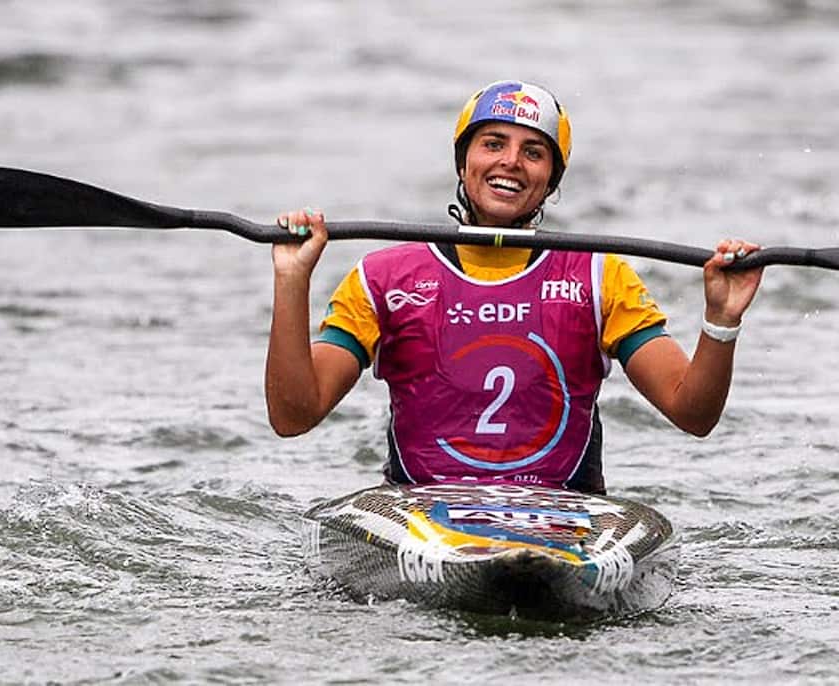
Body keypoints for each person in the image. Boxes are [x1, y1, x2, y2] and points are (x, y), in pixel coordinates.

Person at [265, 80, 763, 494]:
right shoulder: (382, 278)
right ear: (464, 164)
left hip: (565, 521)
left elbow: (692, 414)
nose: (511, 162)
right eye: (493, 144)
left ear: (550, 181)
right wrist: (292, 279)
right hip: (423, 512)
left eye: (534, 152)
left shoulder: (599, 276)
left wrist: (721, 320)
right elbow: (294, 415)